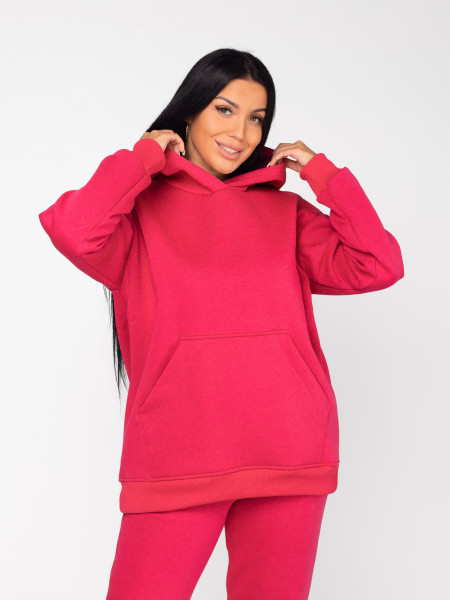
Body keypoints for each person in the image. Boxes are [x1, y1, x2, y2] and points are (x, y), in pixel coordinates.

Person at [38, 48, 404, 599]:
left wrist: (325, 177)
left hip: (288, 451)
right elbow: (74, 231)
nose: (241, 132)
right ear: (189, 112)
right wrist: (141, 158)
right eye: (225, 109)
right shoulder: (135, 214)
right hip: (177, 456)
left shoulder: (286, 214)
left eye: (257, 118)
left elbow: (379, 263)